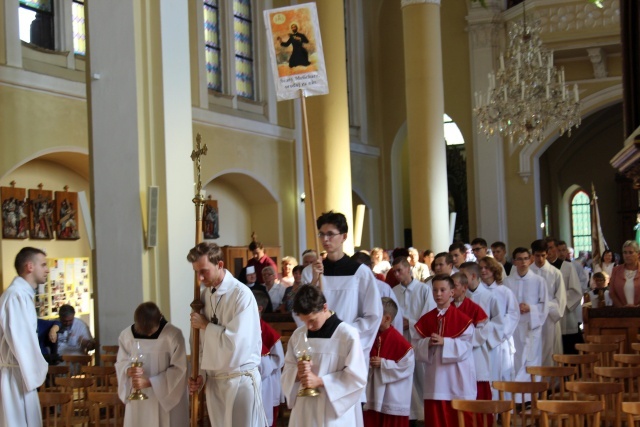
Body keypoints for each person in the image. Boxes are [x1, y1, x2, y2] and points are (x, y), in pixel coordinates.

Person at [187, 242, 267, 427]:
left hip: (239, 381)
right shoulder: (203, 296)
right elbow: (199, 343)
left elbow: (238, 345)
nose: (199, 278)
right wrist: (200, 374)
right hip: (216, 383)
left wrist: (206, 325)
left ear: (220, 265)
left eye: (204, 271)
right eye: (196, 271)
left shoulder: (241, 295)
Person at [301, 211, 382, 364]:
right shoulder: (310, 272)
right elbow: (300, 311)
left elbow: (373, 315)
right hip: (319, 345)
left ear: (344, 236)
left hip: (347, 344)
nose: (325, 239)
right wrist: (313, 282)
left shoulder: (360, 273)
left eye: (330, 234)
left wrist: (345, 332)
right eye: (321, 234)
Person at [282, 285, 367, 426]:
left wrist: (321, 381)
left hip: (334, 411)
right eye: (304, 321)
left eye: (312, 320)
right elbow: (288, 370)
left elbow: (357, 377)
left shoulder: (347, 335)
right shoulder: (298, 335)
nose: (308, 326)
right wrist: (298, 373)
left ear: (325, 308)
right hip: (305, 410)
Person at [412, 274, 476, 427]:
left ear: (452, 292)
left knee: (458, 417)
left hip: (457, 376)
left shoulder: (462, 319)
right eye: (435, 290)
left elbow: (467, 346)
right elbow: (415, 344)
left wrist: (445, 342)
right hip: (435, 376)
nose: (438, 294)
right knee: (436, 417)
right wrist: (427, 343)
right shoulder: (427, 319)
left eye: (442, 290)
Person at [115, 302, 189, 427]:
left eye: (150, 331)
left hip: (165, 399)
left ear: (160, 318)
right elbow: (121, 362)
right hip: (137, 399)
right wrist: (128, 370)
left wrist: (151, 382)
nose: (148, 334)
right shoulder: (126, 335)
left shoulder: (172, 335)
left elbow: (180, 369)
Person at [0, 247, 49, 427]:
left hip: (20, 373)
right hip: (17, 375)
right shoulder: (16, 296)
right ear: (30, 266)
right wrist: (36, 371)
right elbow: (22, 342)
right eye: (43, 264)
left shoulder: (21, 295)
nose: (47, 269)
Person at [391, 256, 436, 425]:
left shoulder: (423, 290)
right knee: (404, 376)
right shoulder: (393, 291)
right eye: (394, 271)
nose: (396, 274)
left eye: (399, 270)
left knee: (421, 375)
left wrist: (409, 323)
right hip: (400, 339)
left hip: (418, 339)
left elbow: (428, 315)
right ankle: (409, 413)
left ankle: (425, 413)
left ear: (408, 269)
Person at [363, 297, 414, 427]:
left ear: (387, 319)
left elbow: (407, 367)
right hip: (372, 395)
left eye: (376, 314)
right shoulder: (370, 336)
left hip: (392, 399)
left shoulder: (400, 343)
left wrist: (383, 363)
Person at [504, 248, 549, 382]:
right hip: (515, 328)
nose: (523, 262)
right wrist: (515, 308)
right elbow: (504, 305)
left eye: (525, 258)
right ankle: (516, 396)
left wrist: (530, 308)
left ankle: (531, 396)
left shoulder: (539, 281)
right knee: (515, 360)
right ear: (514, 261)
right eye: (519, 259)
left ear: (530, 260)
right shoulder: (508, 282)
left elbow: (544, 305)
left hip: (531, 326)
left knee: (531, 360)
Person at [477, 256, 519, 399]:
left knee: (503, 375)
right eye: (480, 268)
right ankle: (489, 411)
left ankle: (505, 411)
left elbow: (513, 314)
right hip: (482, 342)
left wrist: (498, 331)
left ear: (494, 270)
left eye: (486, 267)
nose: (483, 270)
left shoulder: (504, 291)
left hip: (500, 341)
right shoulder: (476, 293)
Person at [451, 272, 491, 417]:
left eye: (454, 286)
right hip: (454, 358)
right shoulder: (447, 309)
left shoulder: (474, 308)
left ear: (464, 287)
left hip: (474, 355)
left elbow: (482, 332)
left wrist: (463, 342)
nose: (451, 290)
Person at [529, 239, 566, 366]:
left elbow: (560, 299)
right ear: (532, 255)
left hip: (549, 318)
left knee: (550, 351)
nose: (540, 259)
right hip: (531, 319)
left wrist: (545, 306)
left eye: (543, 255)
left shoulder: (555, 273)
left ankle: (552, 383)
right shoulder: (527, 273)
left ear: (548, 253)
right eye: (537, 255)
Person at [252, 291, 284, 427]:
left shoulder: (268, 331)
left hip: (266, 382)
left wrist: (261, 366)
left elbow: (279, 359)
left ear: (259, 308)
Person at [351, 251, 404, 333]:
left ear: (368, 268)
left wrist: (393, 339)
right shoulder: (350, 289)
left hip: (379, 337)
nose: (355, 273)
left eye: (357, 269)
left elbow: (395, 318)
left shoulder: (382, 288)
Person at [609, 240, 640, 307]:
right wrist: (622, 308)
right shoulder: (616, 270)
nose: (627, 255)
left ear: (638, 254)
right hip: (621, 313)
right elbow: (612, 293)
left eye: (630, 252)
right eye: (625, 252)